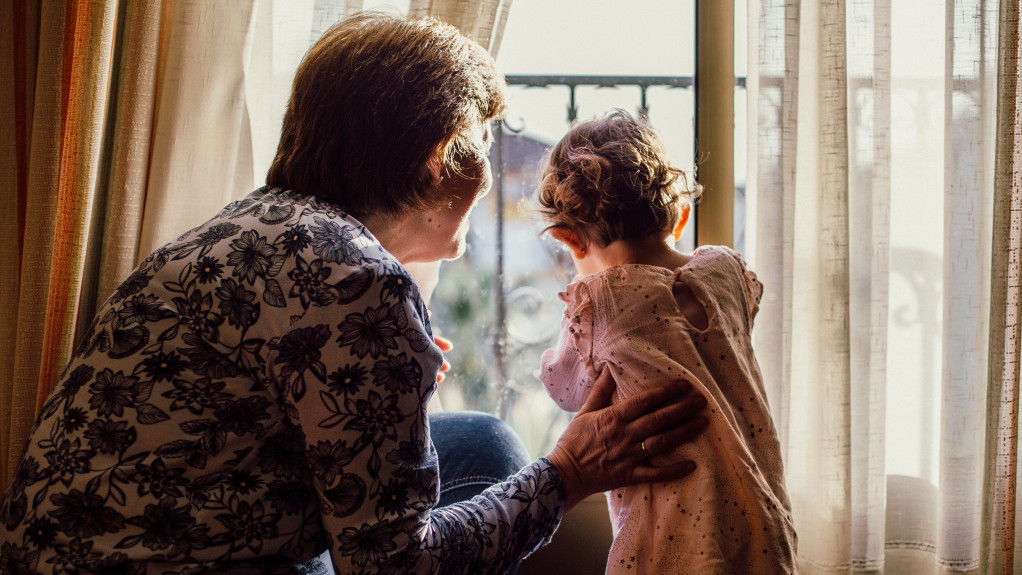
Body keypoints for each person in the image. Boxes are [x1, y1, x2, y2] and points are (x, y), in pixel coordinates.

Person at [0, 14, 710, 575]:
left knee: (485, 442)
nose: (489, 171)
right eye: (481, 143)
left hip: (61, 552)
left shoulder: (250, 225)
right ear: (439, 159)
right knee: (510, 464)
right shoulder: (361, 283)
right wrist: (571, 470)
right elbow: (395, 566)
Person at [536, 110, 796, 574]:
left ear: (570, 240)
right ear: (681, 219)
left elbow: (569, 391)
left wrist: (556, 349)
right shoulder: (724, 270)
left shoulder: (601, 299)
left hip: (671, 532)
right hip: (760, 510)